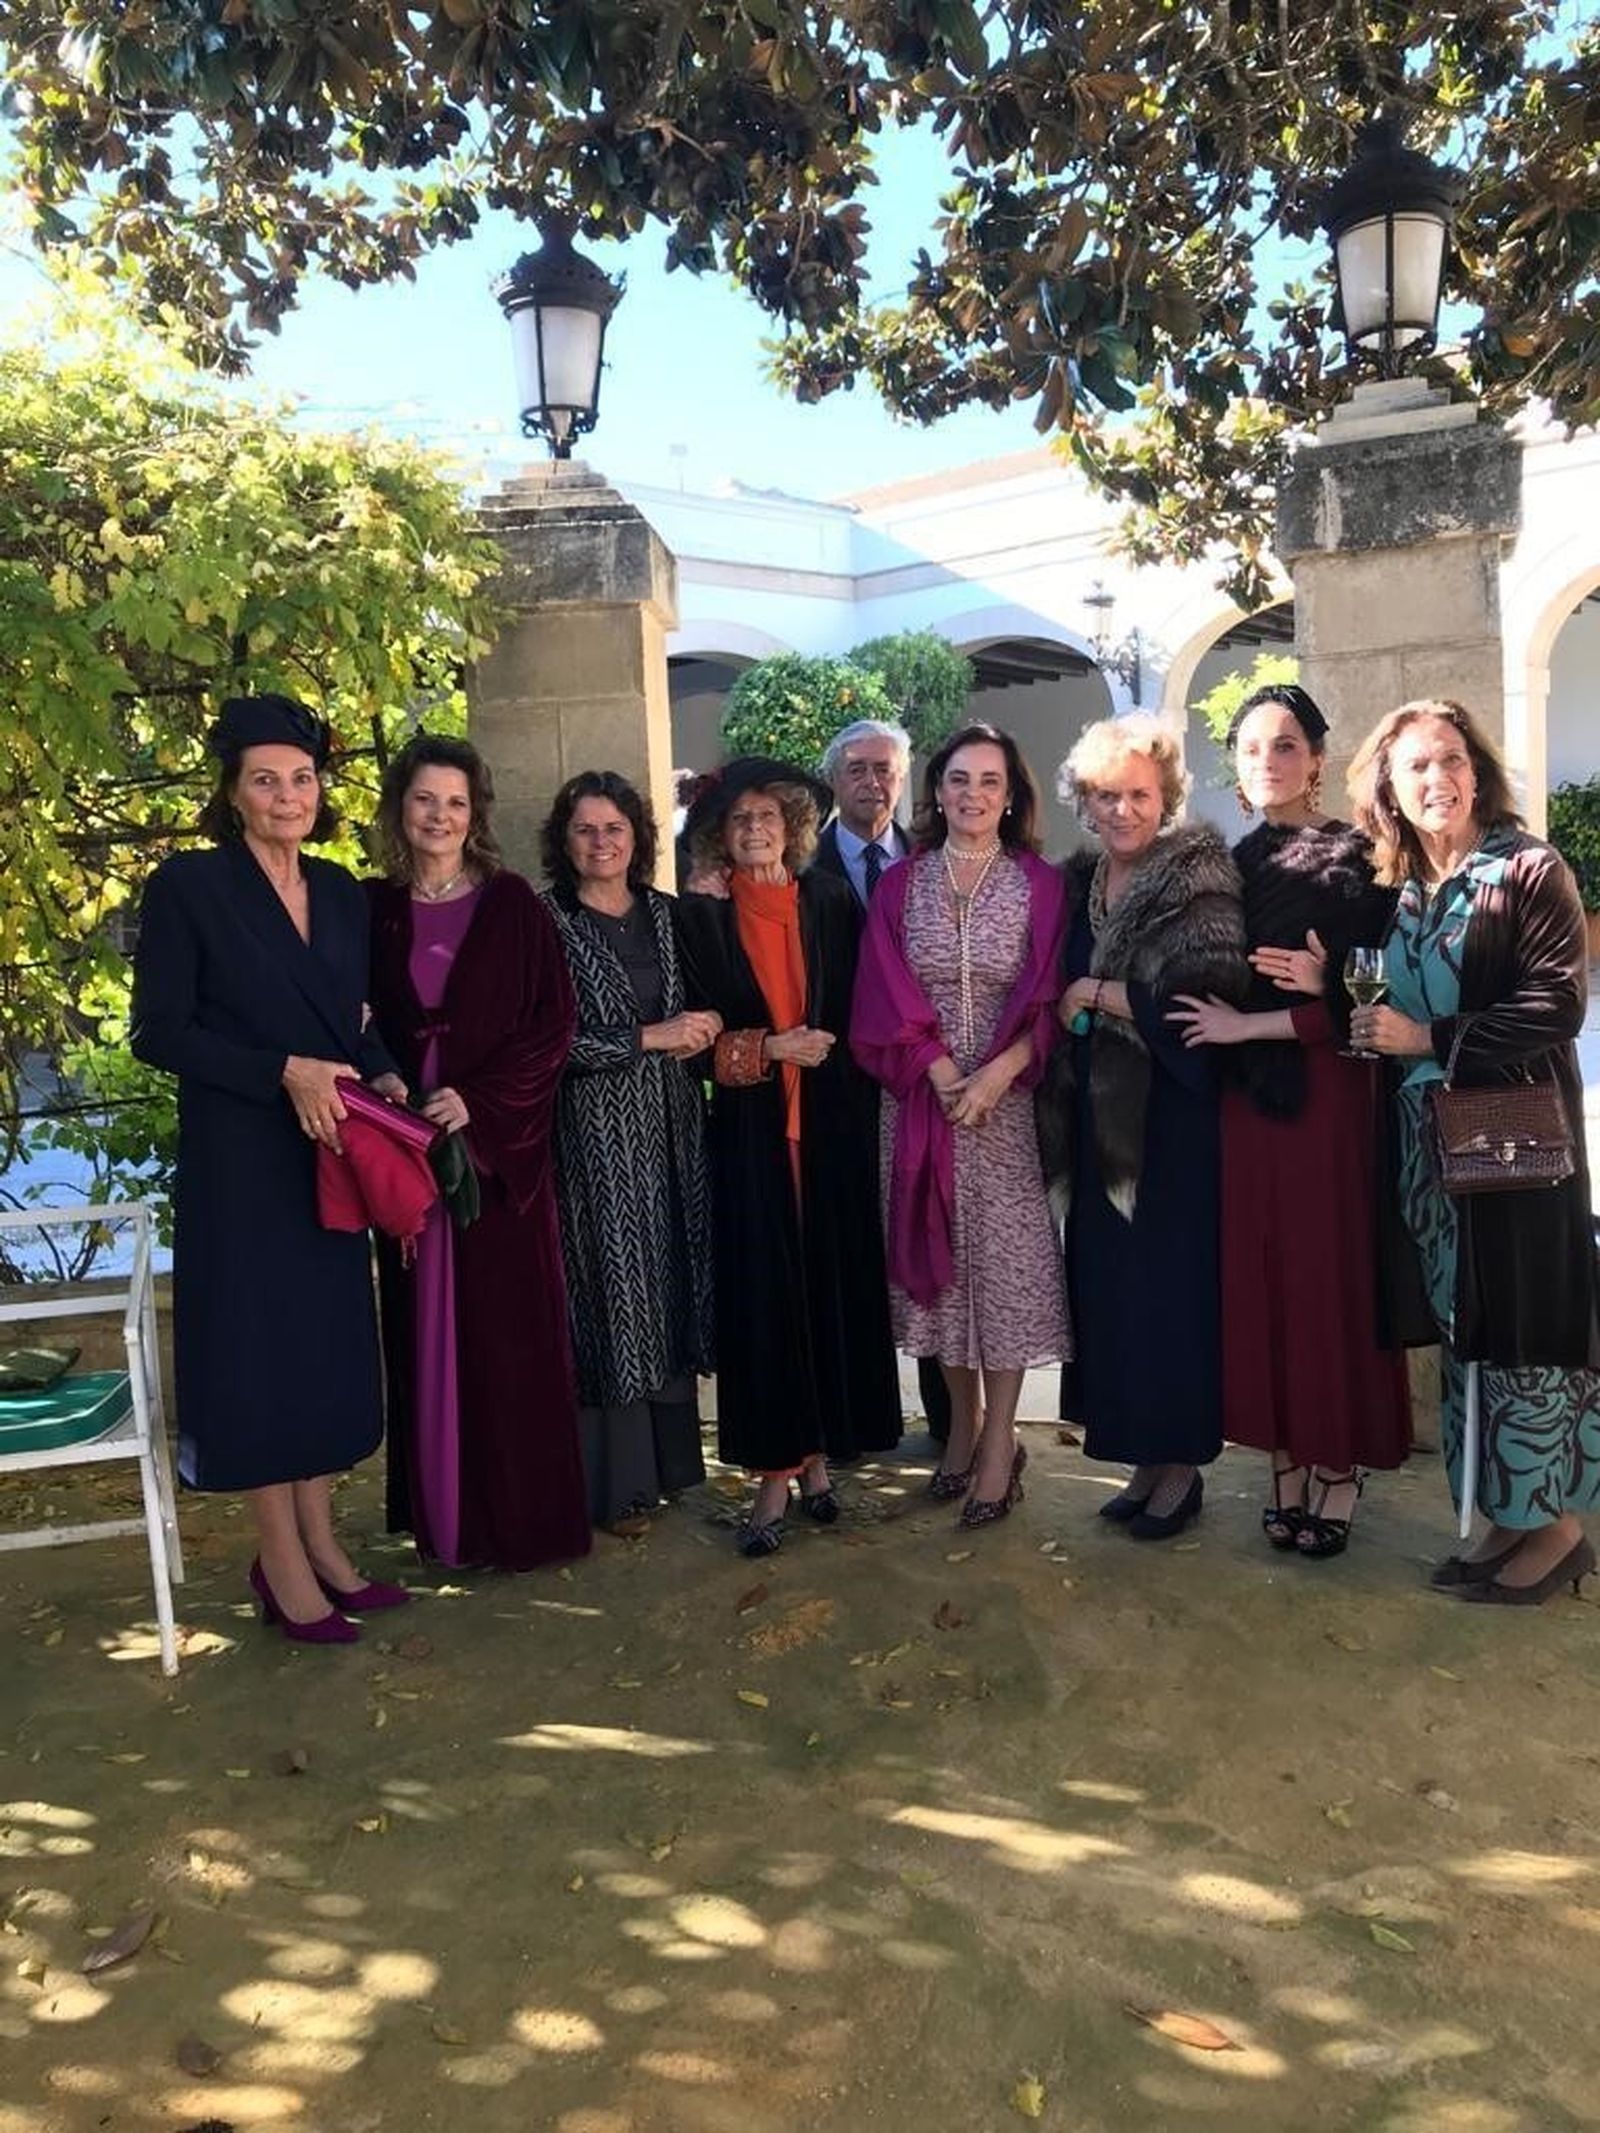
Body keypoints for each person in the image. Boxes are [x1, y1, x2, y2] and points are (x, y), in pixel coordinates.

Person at [130, 693, 410, 1644]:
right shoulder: (188, 887)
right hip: (240, 1156)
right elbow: (158, 1032)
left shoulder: (339, 890)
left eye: (302, 778)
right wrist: (281, 1071)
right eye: (266, 781)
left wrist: (384, 1075)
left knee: (321, 1351)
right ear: (233, 793)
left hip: (331, 1148)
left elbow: (353, 1019)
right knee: (259, 1356)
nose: (289, 796)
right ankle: (281, 1562)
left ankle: (323, 1544)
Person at [1348, 698, 1599, 1606]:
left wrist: (1426, 1037)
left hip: (1515, 1145)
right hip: (1431, 1154)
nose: (1436, 778)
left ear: (1478, 769)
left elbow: (1556, 1004)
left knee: (1526, 1329)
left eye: (1450, 758)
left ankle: (1558, 1529)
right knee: (1469, 1332)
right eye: (1415, 765)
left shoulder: (1527, 868)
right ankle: (1505, 1514)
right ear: (1389, 787)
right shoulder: (1409, 886)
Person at [1167, 685, 1411, 1557]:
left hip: (1326, 1101)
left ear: (1315, 759)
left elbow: (1376, 994)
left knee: (1324, 1280)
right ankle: (1284, 1460)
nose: (1267, 761)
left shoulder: (1359, 859)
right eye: (1251, 748)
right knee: (1261, 1279)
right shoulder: (1225, 867)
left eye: (1284, 745)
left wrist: (1308, 993)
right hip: (1244, 1108)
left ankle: (1337, 1463)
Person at [367, 733, 590, 1572]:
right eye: (425, 799)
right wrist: (384, 1080)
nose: (440, 816)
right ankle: (446, 1524)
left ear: (476, 814)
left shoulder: (512, 905)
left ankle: (519, 1524)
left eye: (455, 803)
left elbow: (553, 1025)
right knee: (421, 1329)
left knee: (507, 1339)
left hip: (497, 1161)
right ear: (401, 807)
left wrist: (480, 1102)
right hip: (404, 1147)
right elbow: (348, 1015)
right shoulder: (372, 908)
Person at [677, 757, 902, 1554]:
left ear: (793, 825)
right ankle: (774, 1477)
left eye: (767, 817)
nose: (755, 830)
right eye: (739, 820)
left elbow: (866, 1005)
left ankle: (818, 1464)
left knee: (823, 1296)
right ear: (719, 835)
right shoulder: (701, 916)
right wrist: (771, 1048)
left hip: (833, 1132)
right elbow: (691, 1047)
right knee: (768, 1304)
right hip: (752, 1140)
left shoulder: (831, 901)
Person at [852, 724, 1069, 1527]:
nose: (972, 794)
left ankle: (999, 1443)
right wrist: (942, 1072)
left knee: (1006, 1274)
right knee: (938, 1275)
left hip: (1007, 1110)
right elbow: (881, 989)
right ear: (936, 791)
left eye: (989, 781)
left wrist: (1000, 1072)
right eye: (958, 779)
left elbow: (1052, 994)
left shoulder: (1041, 884)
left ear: (1011, 796)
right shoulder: (899, 886)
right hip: (922, 1101)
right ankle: (964, 1430)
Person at [1040, 715, 1249, 1540]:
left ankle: (1182, 1466)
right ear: (1083, 802)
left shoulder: (1199, 879)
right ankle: (1141, 1456)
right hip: (1096, 1120)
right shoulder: (1080, 881)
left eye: (1138, 794)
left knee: (1169, 1295)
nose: (1121, 809)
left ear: (1166, 798)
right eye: (1105, 795)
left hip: (1170, 1124)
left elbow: (1209, 1001)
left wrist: (1099, 995)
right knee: (1112, 1292)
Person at [540, 771, 720, 1532]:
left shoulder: (667, 913)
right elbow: (539, 1045)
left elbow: (710, 999)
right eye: (585, 829)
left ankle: (675, 1467)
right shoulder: (545, 923)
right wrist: (646, 1037)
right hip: (594, 1138)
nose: (601, 842)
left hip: (675, 1129)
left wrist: (707, 1023)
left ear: (638, 837)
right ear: (564, 840)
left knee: (674, 1281)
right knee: (611, 1294)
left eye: (614, 828)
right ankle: (618, 1485)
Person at [813, 715, 953, 1447]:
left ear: (902, 779)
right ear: (834, 779)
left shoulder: (933, 863)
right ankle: (855, 1421)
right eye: (858, 769)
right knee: (850, 1250)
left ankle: (951, 1422)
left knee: (932, 1242)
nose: (872, 782)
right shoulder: (803, 868)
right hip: (836, 1091)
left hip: (921, 1086)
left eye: (885, 769)